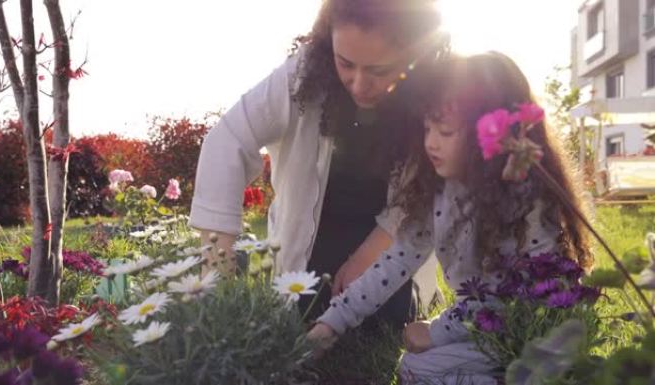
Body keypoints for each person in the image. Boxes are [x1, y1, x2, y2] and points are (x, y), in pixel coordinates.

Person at [307, 51, 594, 384]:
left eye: (445, 132)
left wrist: (439, 331)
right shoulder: (436, 190)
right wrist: (330, 324)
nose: (430, 143)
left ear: (490, 136)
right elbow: (393, 264)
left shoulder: (528, 196)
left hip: (535, 332)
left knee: (420, 368)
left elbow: (519, 296)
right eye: (427, 128)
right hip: (480, 329)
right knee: (415, 367)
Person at [189, 0, 448, 327]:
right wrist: (217, 270)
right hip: (309, 247)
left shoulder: (434, 91)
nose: (358, 83)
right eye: (346, 64)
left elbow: (432, 188)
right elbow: (226, 142)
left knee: (383, 319)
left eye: (378, 70)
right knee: (305, 312)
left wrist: (368, 255)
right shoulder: (301, 73)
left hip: (388, 248)